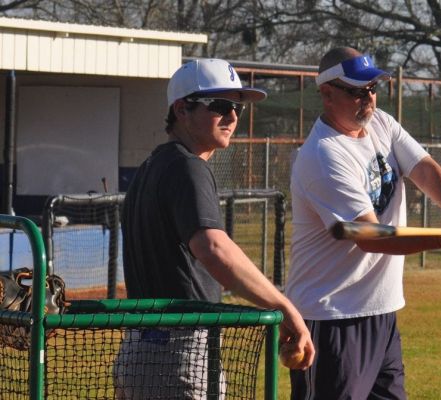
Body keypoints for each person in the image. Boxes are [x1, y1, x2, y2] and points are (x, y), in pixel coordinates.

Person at [286, 47, 441, 399]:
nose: (369, 98)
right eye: (357, 91)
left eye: (373, 88)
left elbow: (424, 169)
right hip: (332, 314)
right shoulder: (324, 154)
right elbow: (370, 236)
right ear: (327, 94)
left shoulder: (381, 123)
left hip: (381, 311)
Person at [115, 59, 314, 399]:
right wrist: (284, 307)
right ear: (182, 109)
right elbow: (214, 248)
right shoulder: (188, 167)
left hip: (141, 348)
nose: (233, 117)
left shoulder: (152, 165)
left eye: (237, 107)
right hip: (177, 354)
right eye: (220, 105)